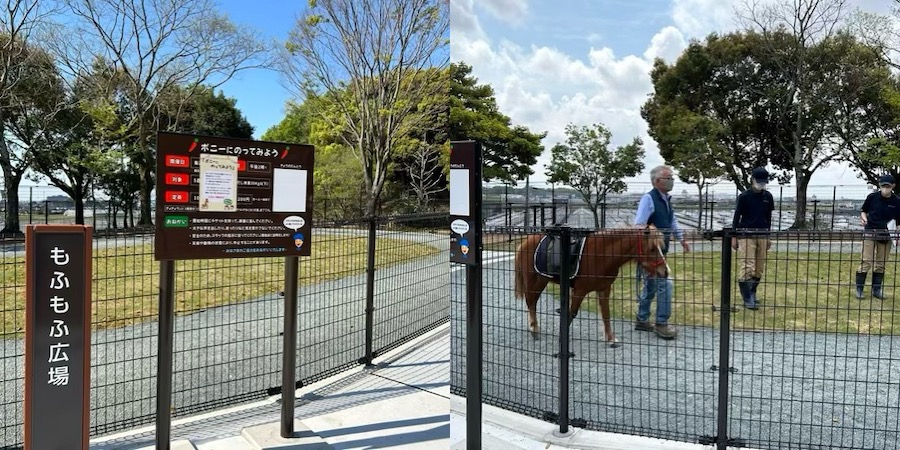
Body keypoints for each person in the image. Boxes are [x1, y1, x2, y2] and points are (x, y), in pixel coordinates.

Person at [634, 165, 690, 340]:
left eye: (672, 177)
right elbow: (639, 225)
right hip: (650, 253)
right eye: (668, 178)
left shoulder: (666, 200)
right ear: (657, 181)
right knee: (666, 284)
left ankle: (642, 319)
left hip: (659, 252)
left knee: (651, 286)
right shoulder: (648, 199)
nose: (671, 180)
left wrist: (681, 238)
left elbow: (672, 221)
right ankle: (661, 324)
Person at [731, 167, 775, 310]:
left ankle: (753, 292)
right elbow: (736, 217)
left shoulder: (768, 197)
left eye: (763, 182)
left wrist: (768, 236)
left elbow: (768, 218)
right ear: (752, 180)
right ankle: (747, 298)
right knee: (747, 265)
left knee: (759, 267)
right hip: (746, 234)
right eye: (758, 181)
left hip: (762, 234)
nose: (761, 184)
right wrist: (734, 236)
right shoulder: (744, 197)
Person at [855, 174, 900, 300]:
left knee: (881, 263)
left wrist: (897, 236)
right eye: (883, 186)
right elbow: (864, 211)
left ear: (893, 186)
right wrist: (864, 219)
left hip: (887, 235)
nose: (885, 188)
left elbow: (898, 221)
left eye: (888, 186)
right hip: (870, 231)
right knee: (866, 260)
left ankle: (877, 289)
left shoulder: (897, 201)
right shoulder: (872, 197)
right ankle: (859, 288)